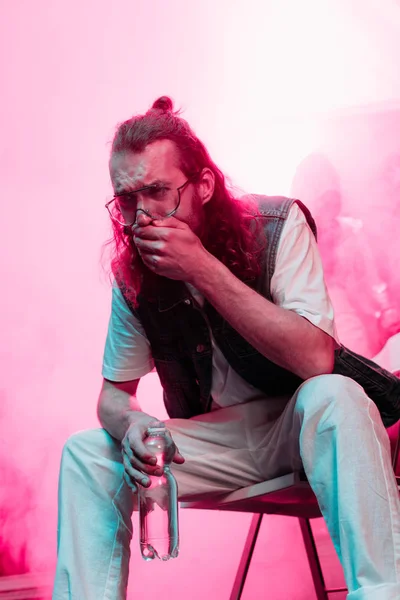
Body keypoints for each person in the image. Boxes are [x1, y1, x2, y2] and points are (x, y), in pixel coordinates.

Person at [53, 97, 400, 600]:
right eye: (127, 199)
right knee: (86, 453)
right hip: (219, 445)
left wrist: (201, 268)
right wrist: (134, 425)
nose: (141, 216)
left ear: (205, 186)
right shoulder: (133, 273)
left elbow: (314, 358)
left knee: (336, 394)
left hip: (300, 426)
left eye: (157, 192)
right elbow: (113, 395)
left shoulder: (279, 226)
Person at [291, 153, 400, 358]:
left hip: (363, 321)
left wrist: (387, 310)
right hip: (326, 326)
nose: (330, 203)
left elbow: (372, 279)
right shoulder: (297, 237)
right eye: (324, 194)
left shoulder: (351, 231)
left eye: (333, 190)